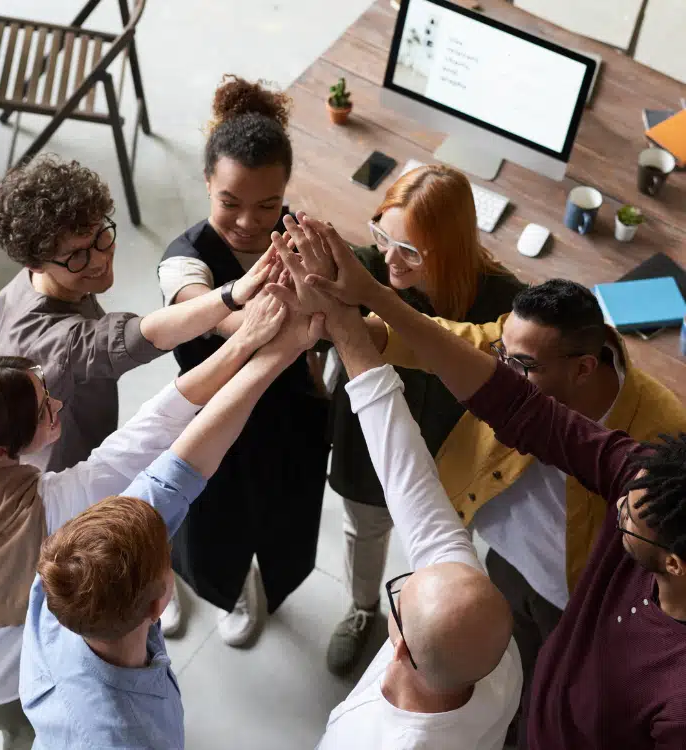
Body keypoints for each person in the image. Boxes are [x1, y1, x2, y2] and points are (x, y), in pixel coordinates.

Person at [287, 220, 686, 749]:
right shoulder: (646, 472)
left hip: (557, 618)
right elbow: (509, 401)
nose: (622, 505)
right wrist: (360, 312)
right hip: (514, 583)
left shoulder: (673, 699)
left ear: (674, 561)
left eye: (629, 515)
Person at [0, 284, 285, 750]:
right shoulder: (52, 515)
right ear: (155, 606)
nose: (58, 404)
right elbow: (158, 436)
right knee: (23, 729)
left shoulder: (46, 565)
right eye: (46, 407)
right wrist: (253, 347)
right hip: (5, 679)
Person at [268, 229, 522, 749]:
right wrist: (344, 323)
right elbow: (409, 474)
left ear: (399, 646)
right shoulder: (499, 657)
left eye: (397, 597)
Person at [323, 164, 524, 675]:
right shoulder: (363, 269)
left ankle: (422, 631)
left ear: (451, 249)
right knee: (364, 531)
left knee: (438, 557)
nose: (389, 259)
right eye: (381, 237)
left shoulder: (504, 304)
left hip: (454, 461)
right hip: (371, 447)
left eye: (409, 250)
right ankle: (363, 608)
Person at [157, 75, 330, 643]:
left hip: (287, 412)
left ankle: (250, 588)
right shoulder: (183, 261)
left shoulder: (303, 239)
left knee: (284, 517)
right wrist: (258, 319)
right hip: (211, 412)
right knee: (203, 519)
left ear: (286, 193)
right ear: (207, 182)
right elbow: (209, 312)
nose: (249, 222)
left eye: (268, 205)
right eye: (229, 202)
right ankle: (187, 585)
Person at [0, 155, 274, 475]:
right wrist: (233, 294)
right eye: (77, 255)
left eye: (100, 237)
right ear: (35, 263)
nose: (98, 260)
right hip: (67, 479)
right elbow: (142, 335)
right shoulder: (58, 343)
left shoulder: (26, 287)